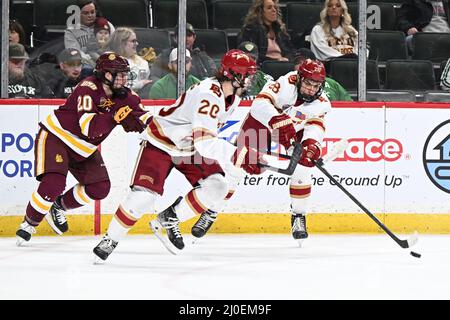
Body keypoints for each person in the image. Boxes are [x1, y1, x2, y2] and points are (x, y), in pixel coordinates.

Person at [92, 49, 265, 260]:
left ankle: (169, 217)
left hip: (188, 148)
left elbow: (205, 139)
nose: (250, 80)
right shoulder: (209, 95)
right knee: (143, 198)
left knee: (218, 185)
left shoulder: (232, 97)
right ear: (233, 74)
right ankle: (111, 238)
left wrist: (243, 156)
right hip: (162, 142)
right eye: (247, 75)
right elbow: (205, 142)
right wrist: (241, 155)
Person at [189, 59, 332, 245]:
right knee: (237, 168)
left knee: (303, 169)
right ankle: (212, 211)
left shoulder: (322, 103)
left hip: (293, 129)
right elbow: (259, 104)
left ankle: (298, 215)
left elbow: (315, 125)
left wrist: (312, 144)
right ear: (299, 79)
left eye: (316, 85)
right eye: (307, 83)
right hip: (261, 123)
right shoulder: (285, 83)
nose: (311, 89)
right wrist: (278, 120)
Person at [15, 53, 150, 246]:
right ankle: (30, 222)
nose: (123, 78)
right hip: (57, 137)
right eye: (118, 74)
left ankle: (58, 207)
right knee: (53, 183)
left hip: (83, 148)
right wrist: (115, 117)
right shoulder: (88, 88)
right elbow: (89, 129)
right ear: (105, 74)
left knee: (99, 188)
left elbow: (145, 118)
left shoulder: (125, 95)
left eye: (124, 74)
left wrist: (161, 130)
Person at [150, 23, 218, 83]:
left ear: (194, 38)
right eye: (181, 35)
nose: (185, 38)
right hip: (170, 95)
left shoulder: (203, 58)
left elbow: (214, 79)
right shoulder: (164, 56)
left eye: (188, 35)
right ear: (175, 38)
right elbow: (153, 77)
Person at [239, 0, 293, 64]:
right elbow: (252, 55)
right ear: (260, 11)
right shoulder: (251, 29)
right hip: (264, 67)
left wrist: (290, 59)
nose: (274, 10)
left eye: (275, 7)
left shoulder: (279, 29)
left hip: (283, 65)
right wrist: (275, 61)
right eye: (269, 8)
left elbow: (290, 50)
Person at [64, 0, 115, 69]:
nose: (90, 15)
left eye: (92, 12)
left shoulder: (106, 24)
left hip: (108, 63)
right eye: (86, 13)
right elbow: (75, 53)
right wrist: (96, 62)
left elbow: (116, 45)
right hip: (85, 67)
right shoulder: (71, 31)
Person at [106, 27, 152, 93]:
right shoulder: (107, 59)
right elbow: (111, 87)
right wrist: (138, 85)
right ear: (121, 42)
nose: (137, 44)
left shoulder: (142, 63)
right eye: (133, 41)